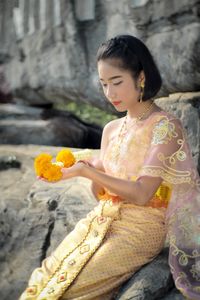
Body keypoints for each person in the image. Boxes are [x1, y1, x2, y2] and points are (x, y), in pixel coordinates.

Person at [19, 35, 200, 300]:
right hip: (102, 219)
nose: (110, 94)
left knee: (70, 289)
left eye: (117, 82)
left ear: (141, 77)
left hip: (141, 229)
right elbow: (101, 193)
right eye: (104, 85)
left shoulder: (165, 126)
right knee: (44, 277)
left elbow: (141, 194)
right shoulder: (111, 129)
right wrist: (71, 171)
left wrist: (87, 171)